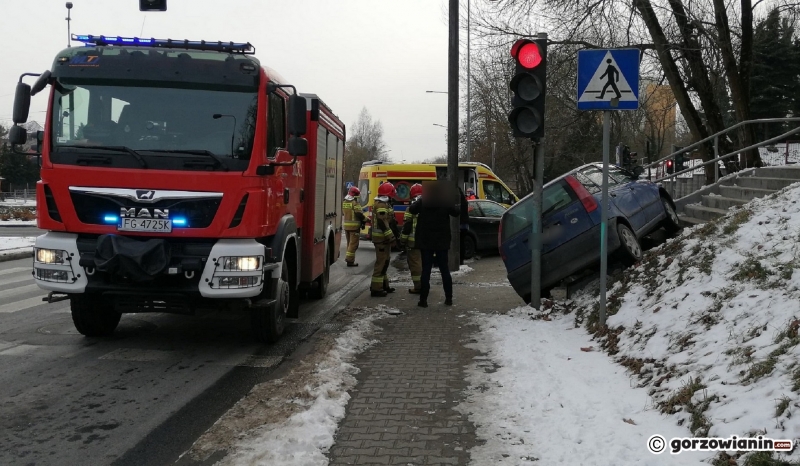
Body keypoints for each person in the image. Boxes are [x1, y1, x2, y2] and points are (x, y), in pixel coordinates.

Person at [409, 182, 460, 307]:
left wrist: (421, 198)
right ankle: (449, 299)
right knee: (444, 270)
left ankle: (423, 300)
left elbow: (412, 209)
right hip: (442, 241)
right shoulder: (444, 202)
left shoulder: (423, 201)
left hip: (426, 241)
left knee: (426, 270)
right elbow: (456, 212)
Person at [370, 182, 398, 297]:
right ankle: (376, 289)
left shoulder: (385, 204)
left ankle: (384, 285)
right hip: (381, 239)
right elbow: (383, 222)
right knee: (381, 263)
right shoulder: (381, 205)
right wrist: (391, 237)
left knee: (385, 262)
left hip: (383, 239)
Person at [400, 183, 423, 294]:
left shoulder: (411, 208)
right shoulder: (427, 206)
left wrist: (402, 240)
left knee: (415, 265)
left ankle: (418, 287)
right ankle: (425, 284)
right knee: (424, 263)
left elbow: (407, 226)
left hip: (413, 242)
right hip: (426, 242)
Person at [342, 186, 365, 267]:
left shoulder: (345, 202)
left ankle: (349, 259)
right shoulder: (355, 203)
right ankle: (350, 260)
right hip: (354, 227)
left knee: (349, 244)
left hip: (347, 227)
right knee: (354, 244)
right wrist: (366, 219)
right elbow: (359, 213)